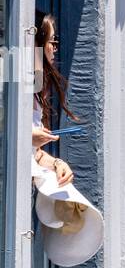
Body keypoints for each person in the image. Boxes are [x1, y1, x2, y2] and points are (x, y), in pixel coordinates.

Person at [32, 14, 74, 188]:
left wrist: (57, 164)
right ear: (35, 44)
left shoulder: (37, 86)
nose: (54, 48)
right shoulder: (10, 83)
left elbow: (35, 154)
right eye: (52, 41)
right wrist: (25, 137)